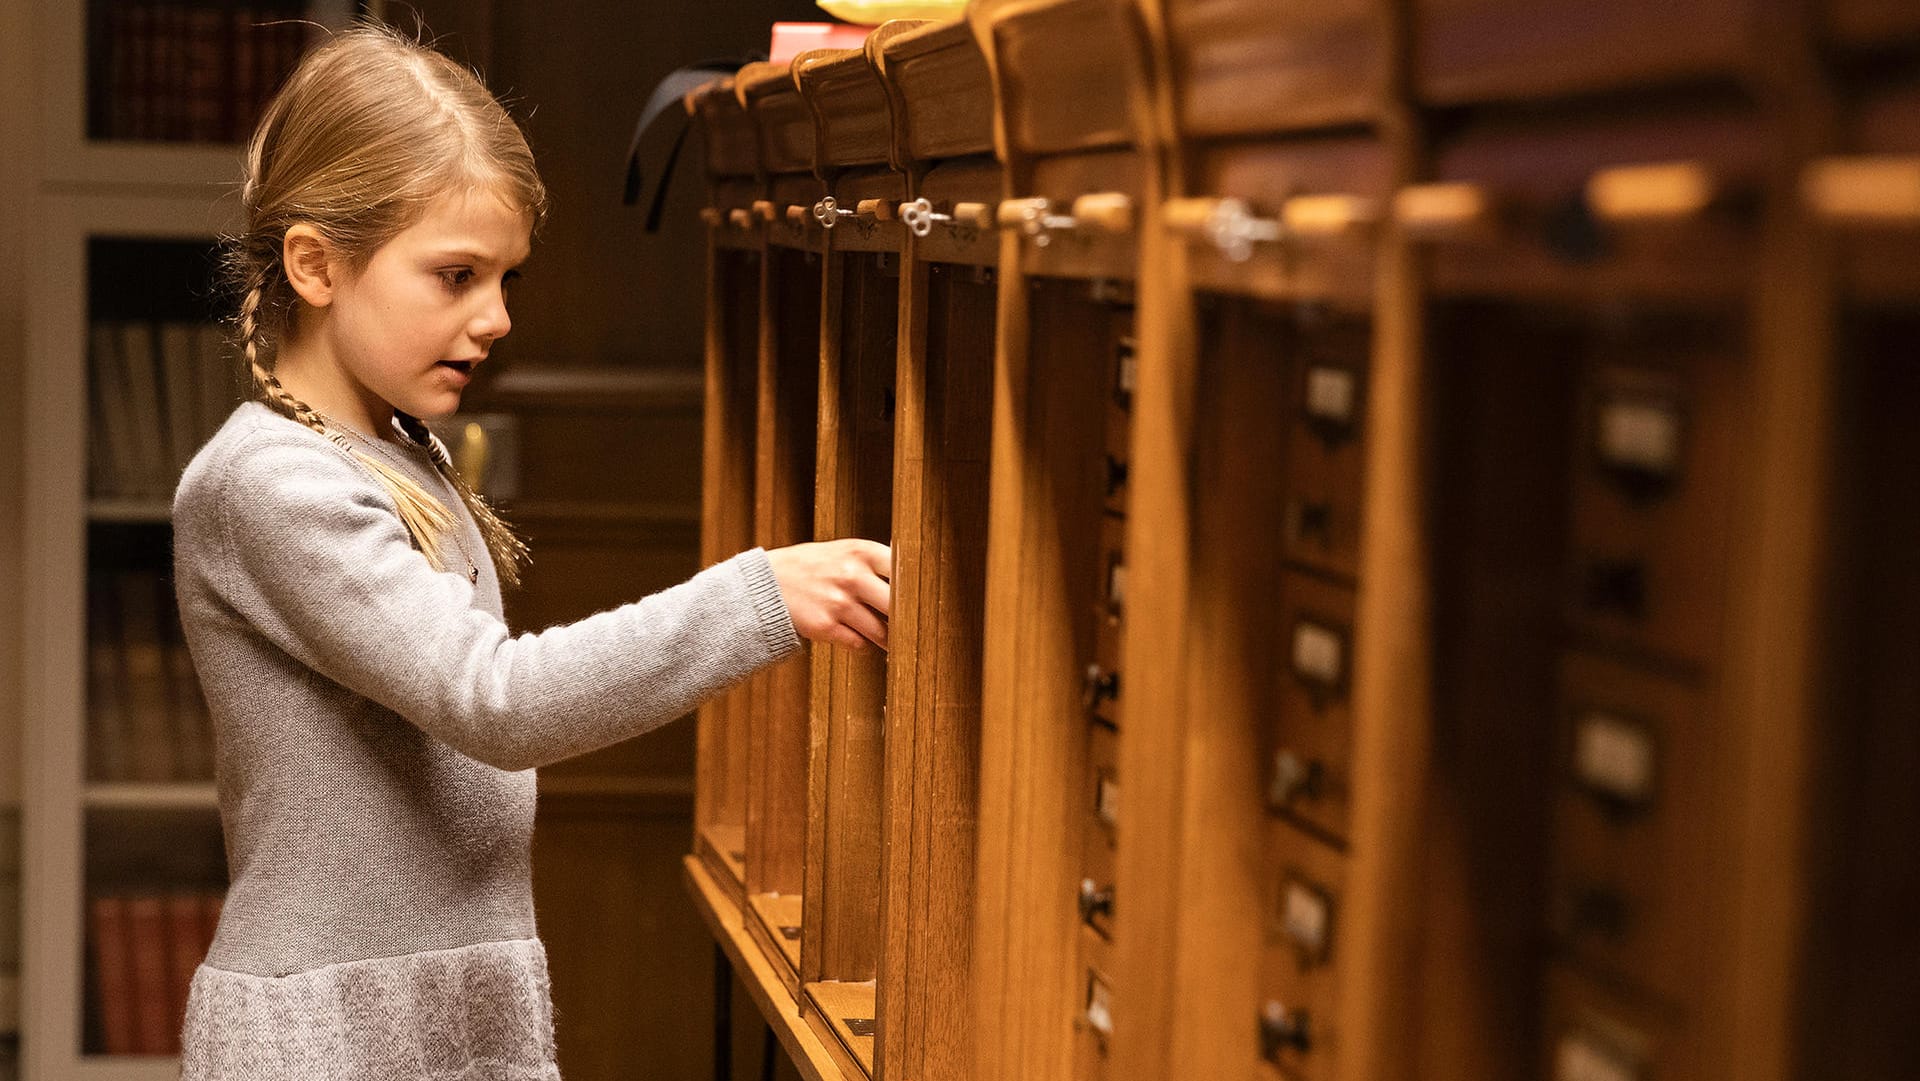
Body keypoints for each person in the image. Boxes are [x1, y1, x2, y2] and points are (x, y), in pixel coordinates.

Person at [168, 20, 890, 1077]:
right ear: (316, 266)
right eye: (456, 275)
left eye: (506, 278)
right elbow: (494, 703)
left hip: (447, 1001)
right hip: (328, 1033)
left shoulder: (396, 452)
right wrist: (761, 594)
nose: (498, 316)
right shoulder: (268, 483)